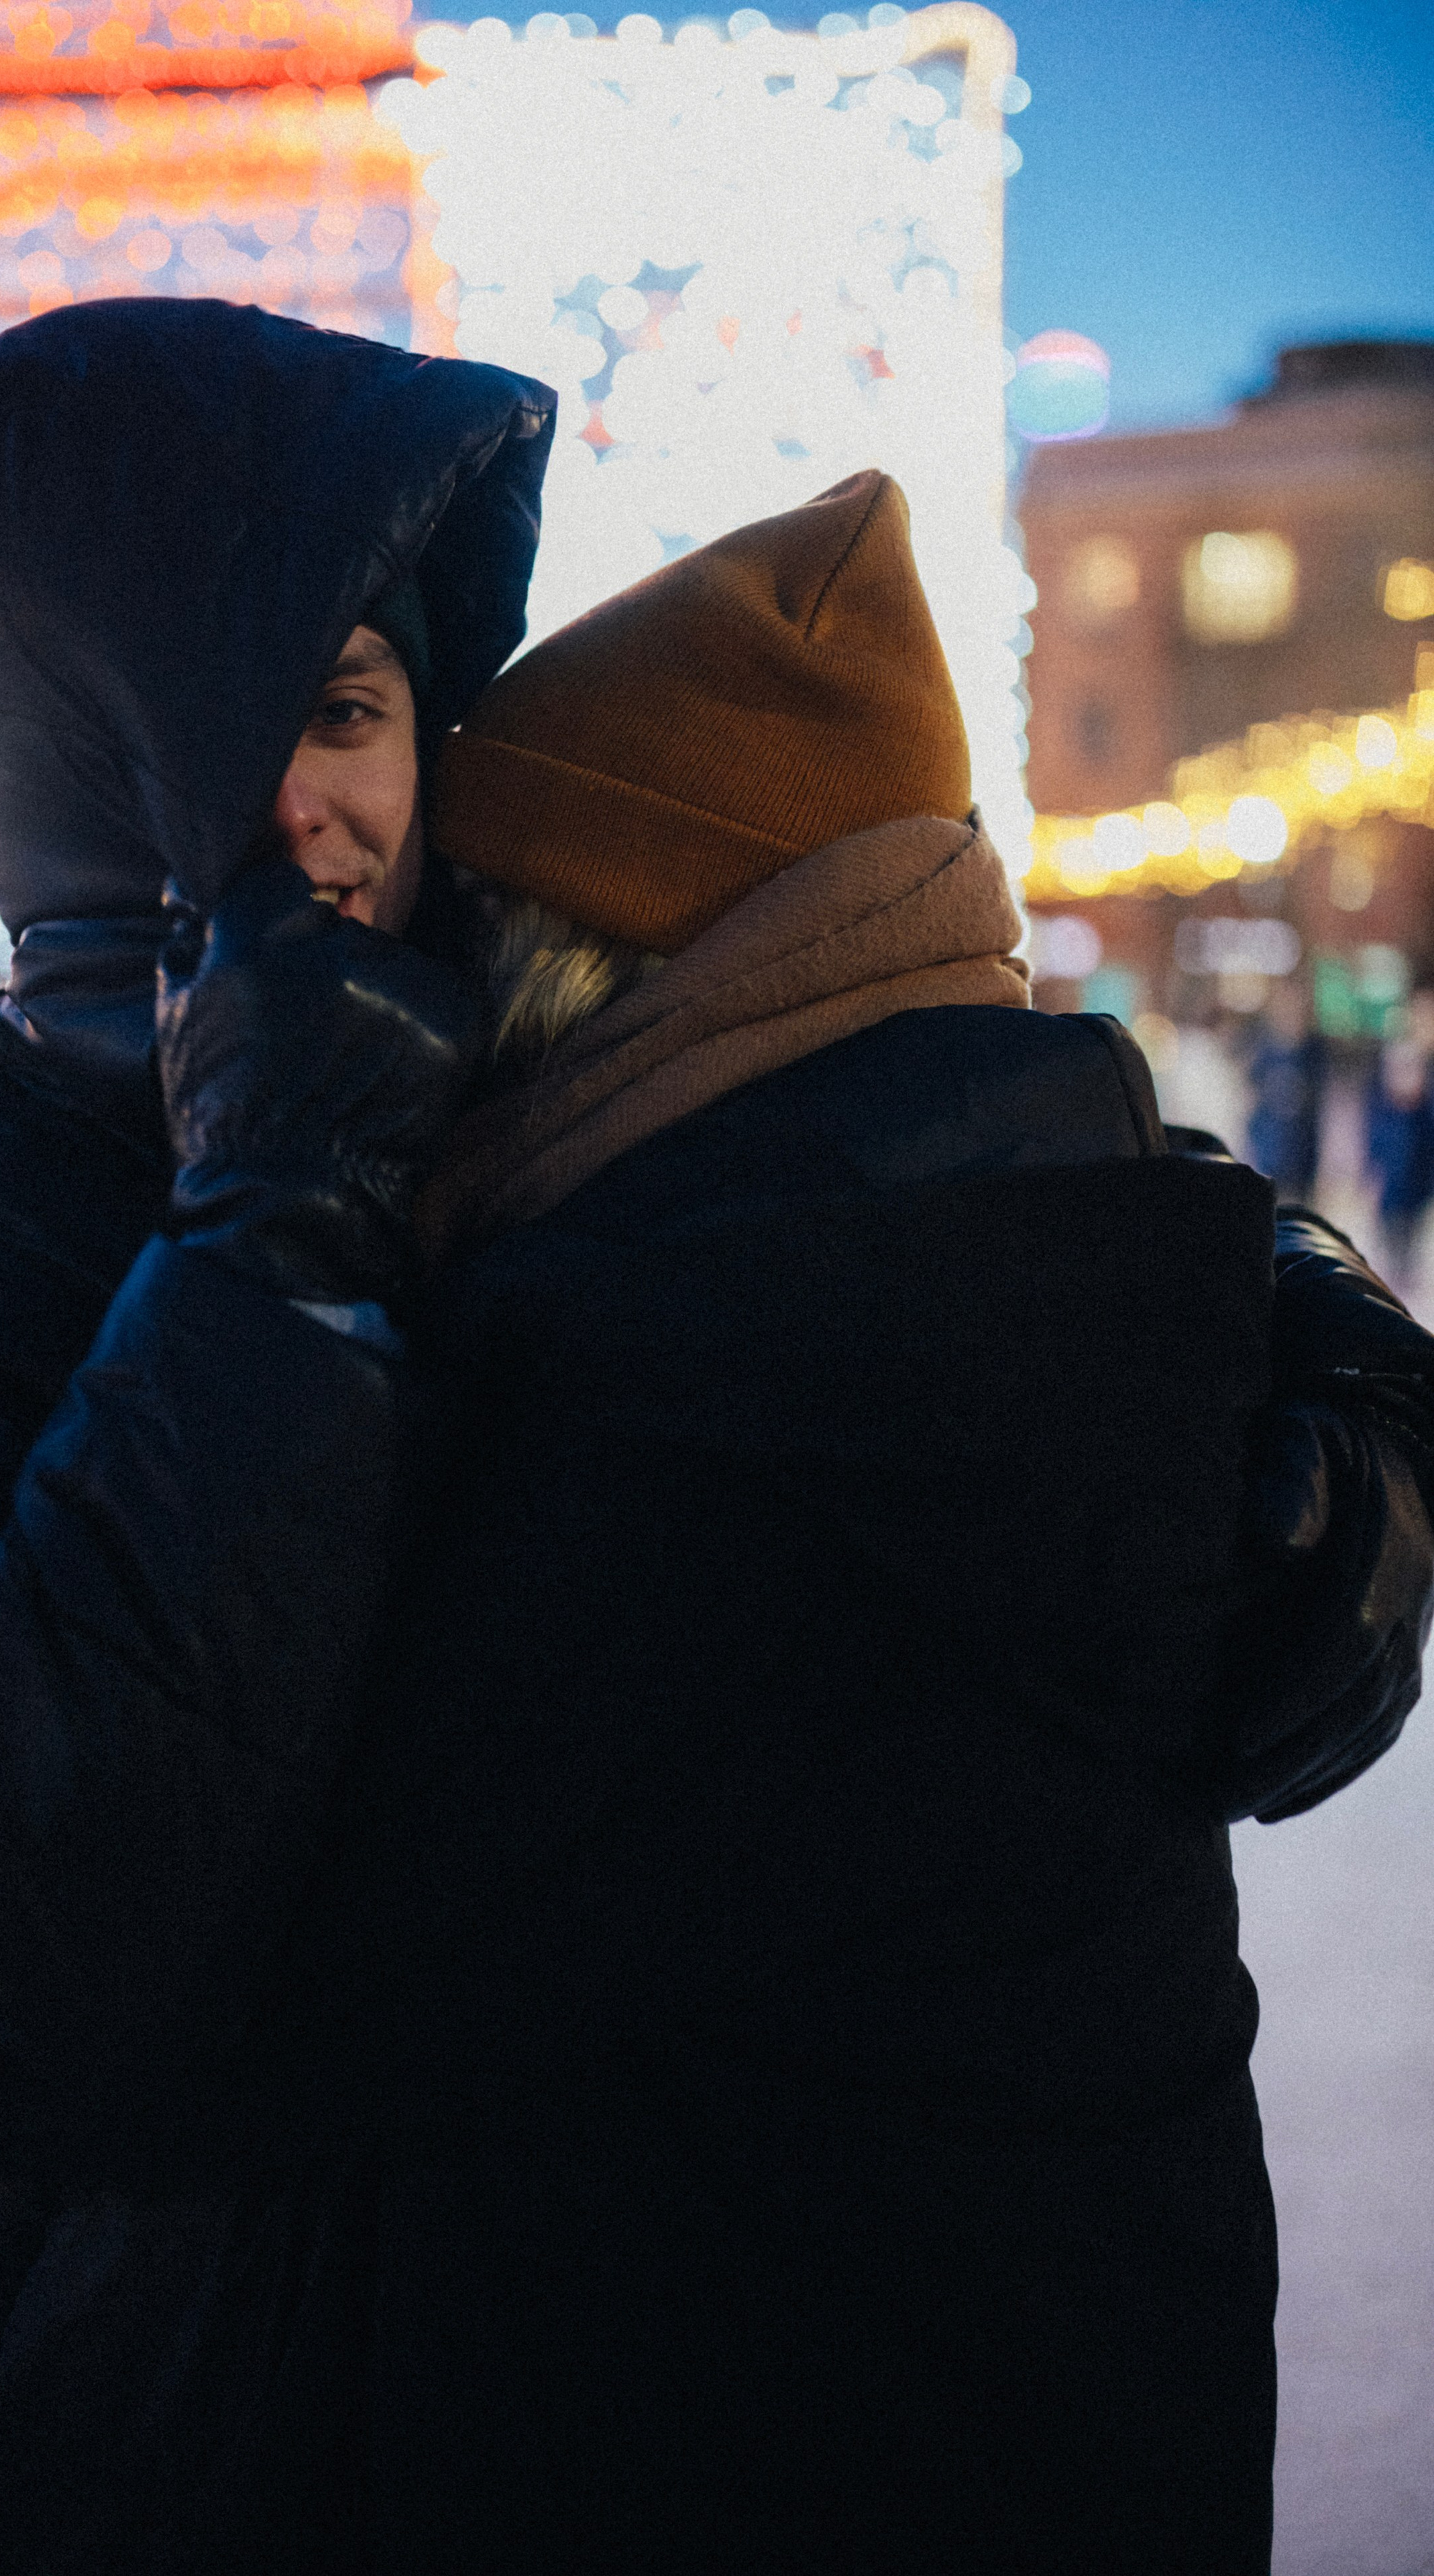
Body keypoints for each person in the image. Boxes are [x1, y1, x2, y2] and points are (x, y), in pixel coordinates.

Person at [286, 473, 1434, 2573]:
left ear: (606, 956)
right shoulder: (1096, 1271)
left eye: (491, 937)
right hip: (1109, 2418)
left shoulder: (662, 1382)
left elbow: (262, 1998)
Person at [0, 299, 552, 2571]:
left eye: (360, 709)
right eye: (234, 720)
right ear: (81, 757)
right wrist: (269, 1237)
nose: (324, 799)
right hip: (164, 2459)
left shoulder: (542, 1096)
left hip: (594, 2408)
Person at [1368, 985, 1434, 1285]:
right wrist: (1372, 1157)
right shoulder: (1395, 1056)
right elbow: (1375, 1112)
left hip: (1423, 1170)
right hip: (1394, 1169)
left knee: (1413, 1240)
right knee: (1390, 1238)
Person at [1246, 974, 1326, 1200]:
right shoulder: (1262, 1050)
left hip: (1303, 1169)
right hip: (1267, 1166)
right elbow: (1250, 1102)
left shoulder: (1314, 1051)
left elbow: (1320, 1111)